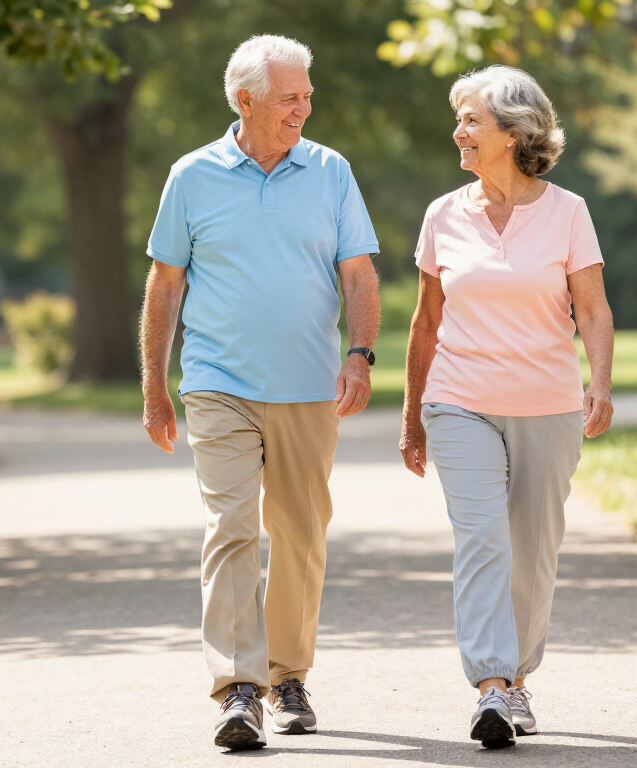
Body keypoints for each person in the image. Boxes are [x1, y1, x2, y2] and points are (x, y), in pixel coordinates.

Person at [139, 34, 381, 752]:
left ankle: (288, 675)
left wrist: (360, 356)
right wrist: (155, 388)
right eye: (289, 98)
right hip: (219, 384)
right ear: (245, 101)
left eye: (307, 95)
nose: (303, 108)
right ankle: (238, 689)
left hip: (309, 384)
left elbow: (359, 275)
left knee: (301, 534)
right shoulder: (192, 176)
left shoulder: (331, 171)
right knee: (232, 527)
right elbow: (165, 285)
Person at [399, 65, 615, 749]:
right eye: (458, 119)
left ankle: (518, 678)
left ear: (513, 132)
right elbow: (426, 323)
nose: (458, 131)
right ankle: (491, 684)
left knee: (533, 551)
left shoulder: (567, 212)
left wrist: (600, 384)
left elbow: (592, 309)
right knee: (483, 538)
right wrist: (412, 418)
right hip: (459, 400)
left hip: (547, 403)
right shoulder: (443, 214)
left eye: (471, 120)